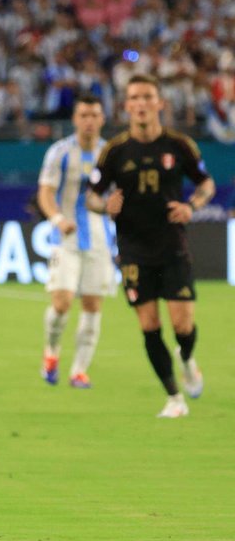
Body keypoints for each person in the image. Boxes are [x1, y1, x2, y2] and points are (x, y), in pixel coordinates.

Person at [87, 74, 214, 419]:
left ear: (159, 103)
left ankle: (187, 358)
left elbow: (206, 184)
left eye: (147, 96)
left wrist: (192, 207)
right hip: (133, 250)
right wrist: (105, 207)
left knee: (183, 324)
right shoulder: (115, 151)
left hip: (172, 245)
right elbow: (92, 197)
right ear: (127, 106)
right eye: (134, 98)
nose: (141, 103)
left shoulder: (179, 145)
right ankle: (174, 397)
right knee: (149, 324)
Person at [36, 94, 113, 388]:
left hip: (100, 238)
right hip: (65, 237)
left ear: (103, 118)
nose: (89, 121)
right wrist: (57, 219)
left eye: (95, 115)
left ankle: (79, 371)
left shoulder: (111, 154)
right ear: (75, 119)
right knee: (63, 301)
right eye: (84, 115)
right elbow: (45, 192)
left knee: (93, 305)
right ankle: (51, 353)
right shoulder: (60, 152)